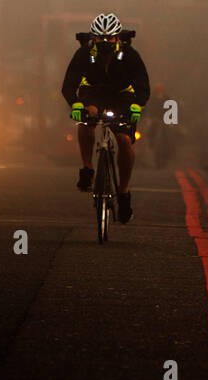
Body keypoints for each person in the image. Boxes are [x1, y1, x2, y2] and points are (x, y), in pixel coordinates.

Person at [61, 12, 151, 224]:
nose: (104, 42)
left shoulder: (130, 55)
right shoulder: (84, 54)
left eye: (109, 38)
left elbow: (143, 86)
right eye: (100, 38)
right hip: (94, 94)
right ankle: (87, 168)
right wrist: (74, 103)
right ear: (93, 38)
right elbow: (69, 84)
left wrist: (137, 106)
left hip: (123, 97)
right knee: (86, 116)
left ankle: (124, 192)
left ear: (117, 38)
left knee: (124, 140)